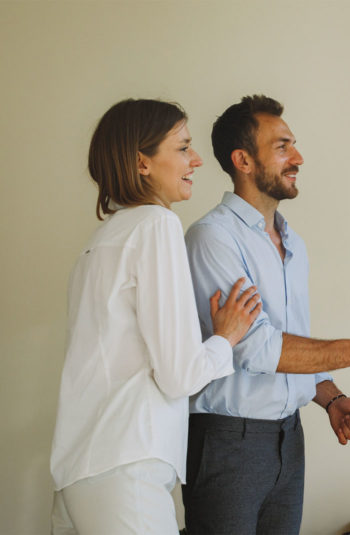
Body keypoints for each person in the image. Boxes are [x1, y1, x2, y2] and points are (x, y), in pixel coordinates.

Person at [182, 94, 350, 535]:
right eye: (281, 147)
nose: (297, 157)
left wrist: (329, 397)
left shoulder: (293, 245)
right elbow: (257, 348)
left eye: (292, 144)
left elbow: (295, 346)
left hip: (288, 440)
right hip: (227, 444)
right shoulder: (212, 239)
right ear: (243, 160)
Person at [50, 99, 262, 534]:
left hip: (80, 472)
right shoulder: (155, 226)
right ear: (141, 162)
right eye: (183, 147)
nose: (197, 159)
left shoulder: (100, 241)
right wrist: (226, 336)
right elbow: (179, 376)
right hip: (126, 468)